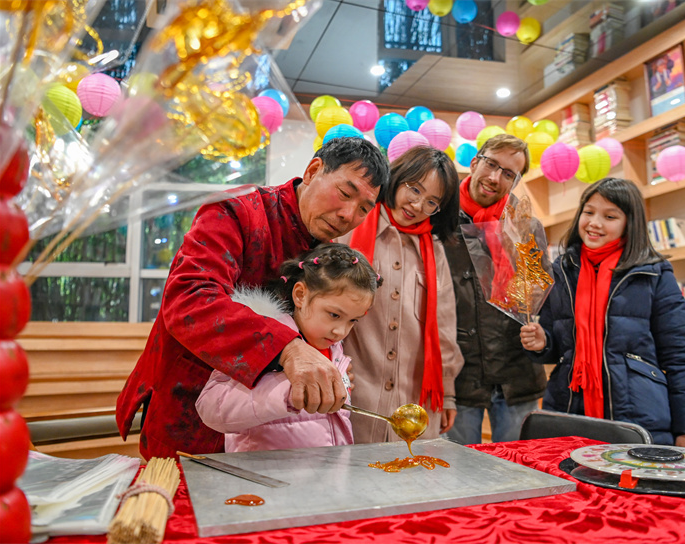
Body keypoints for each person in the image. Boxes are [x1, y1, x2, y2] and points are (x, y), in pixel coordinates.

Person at [116, 137, 390, 460]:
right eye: (345, 194)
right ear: (314, 170)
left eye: (363, 208)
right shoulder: (238, 210)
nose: (348, 214)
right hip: (189, 409)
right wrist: (289, 349)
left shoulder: (324, 249)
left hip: (267, 435)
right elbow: (188, 301)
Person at [520, 177, 685, 447]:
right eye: (588, 212)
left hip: (638, 414)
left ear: (628, 223)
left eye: (610, 216)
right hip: (568, 409)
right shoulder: (561, 270)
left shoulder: (653, 273)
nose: (595, 223)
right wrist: (542, 342)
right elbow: (558, 347)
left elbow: (681, 356)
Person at [196, 243, 382, 452]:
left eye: (352, 321)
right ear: (300, 295)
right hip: (263, 479)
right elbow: (211, 408)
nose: (340, 331)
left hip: (324, 480)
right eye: (334, 315)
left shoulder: (335, 349)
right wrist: (287, 392)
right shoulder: (261, 340)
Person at [341, 146, 464, 443]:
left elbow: (444, 326)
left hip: (415, 403)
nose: (418, 205)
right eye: (414, 189)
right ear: (398, 177)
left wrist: (447, 394)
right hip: (353, 399)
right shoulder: (351, 227)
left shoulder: (433, 251)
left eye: (432, 201)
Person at [443, 134, 548, 445]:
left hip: (518, 374)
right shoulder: (439, 221)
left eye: (508, 173)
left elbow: (540, 293)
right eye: (491, 165)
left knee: (518, 472)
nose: (495, 178)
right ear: (474, 162)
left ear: (515, 183)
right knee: (460, 475)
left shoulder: (526, 226)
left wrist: (542, 335)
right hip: (460, 374)